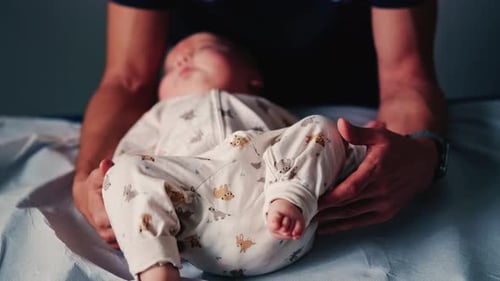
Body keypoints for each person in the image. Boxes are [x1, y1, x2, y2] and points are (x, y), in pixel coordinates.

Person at [72, 0, 448, 249]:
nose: (184, 59)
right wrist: (94, 181)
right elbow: (127, 80)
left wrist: (421, 152)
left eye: (197, 52)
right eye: (175, 63)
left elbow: (406, 80)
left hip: (340, 110)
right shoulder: (164, 112)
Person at [101, 32, 366, 280]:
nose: (181, 59)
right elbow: (130, 165)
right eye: (169, 69)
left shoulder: (269, 109)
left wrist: (353, 149)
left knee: (321, 126)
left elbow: (312, 152)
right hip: (192, 209)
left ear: (253, 78)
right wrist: (114, 182)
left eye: (201, 49)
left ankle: (291, 197)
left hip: (269, 197)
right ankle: (157, 269)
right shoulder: (158, 115)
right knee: (122, 171)